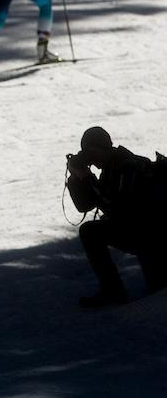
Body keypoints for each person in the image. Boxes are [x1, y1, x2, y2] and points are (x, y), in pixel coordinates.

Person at [67, 126, 166, 308]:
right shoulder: (111, 168)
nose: (91, 159)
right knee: (89, 231)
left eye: (92, 152)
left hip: (154, 236)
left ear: (103, 148)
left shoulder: (128, 166)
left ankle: (114, 291)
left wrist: (89, 179)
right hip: (140, 233)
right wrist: (77, 179)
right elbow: (84, 205)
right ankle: (112, 290)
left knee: (159, 294)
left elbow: (119, 208)